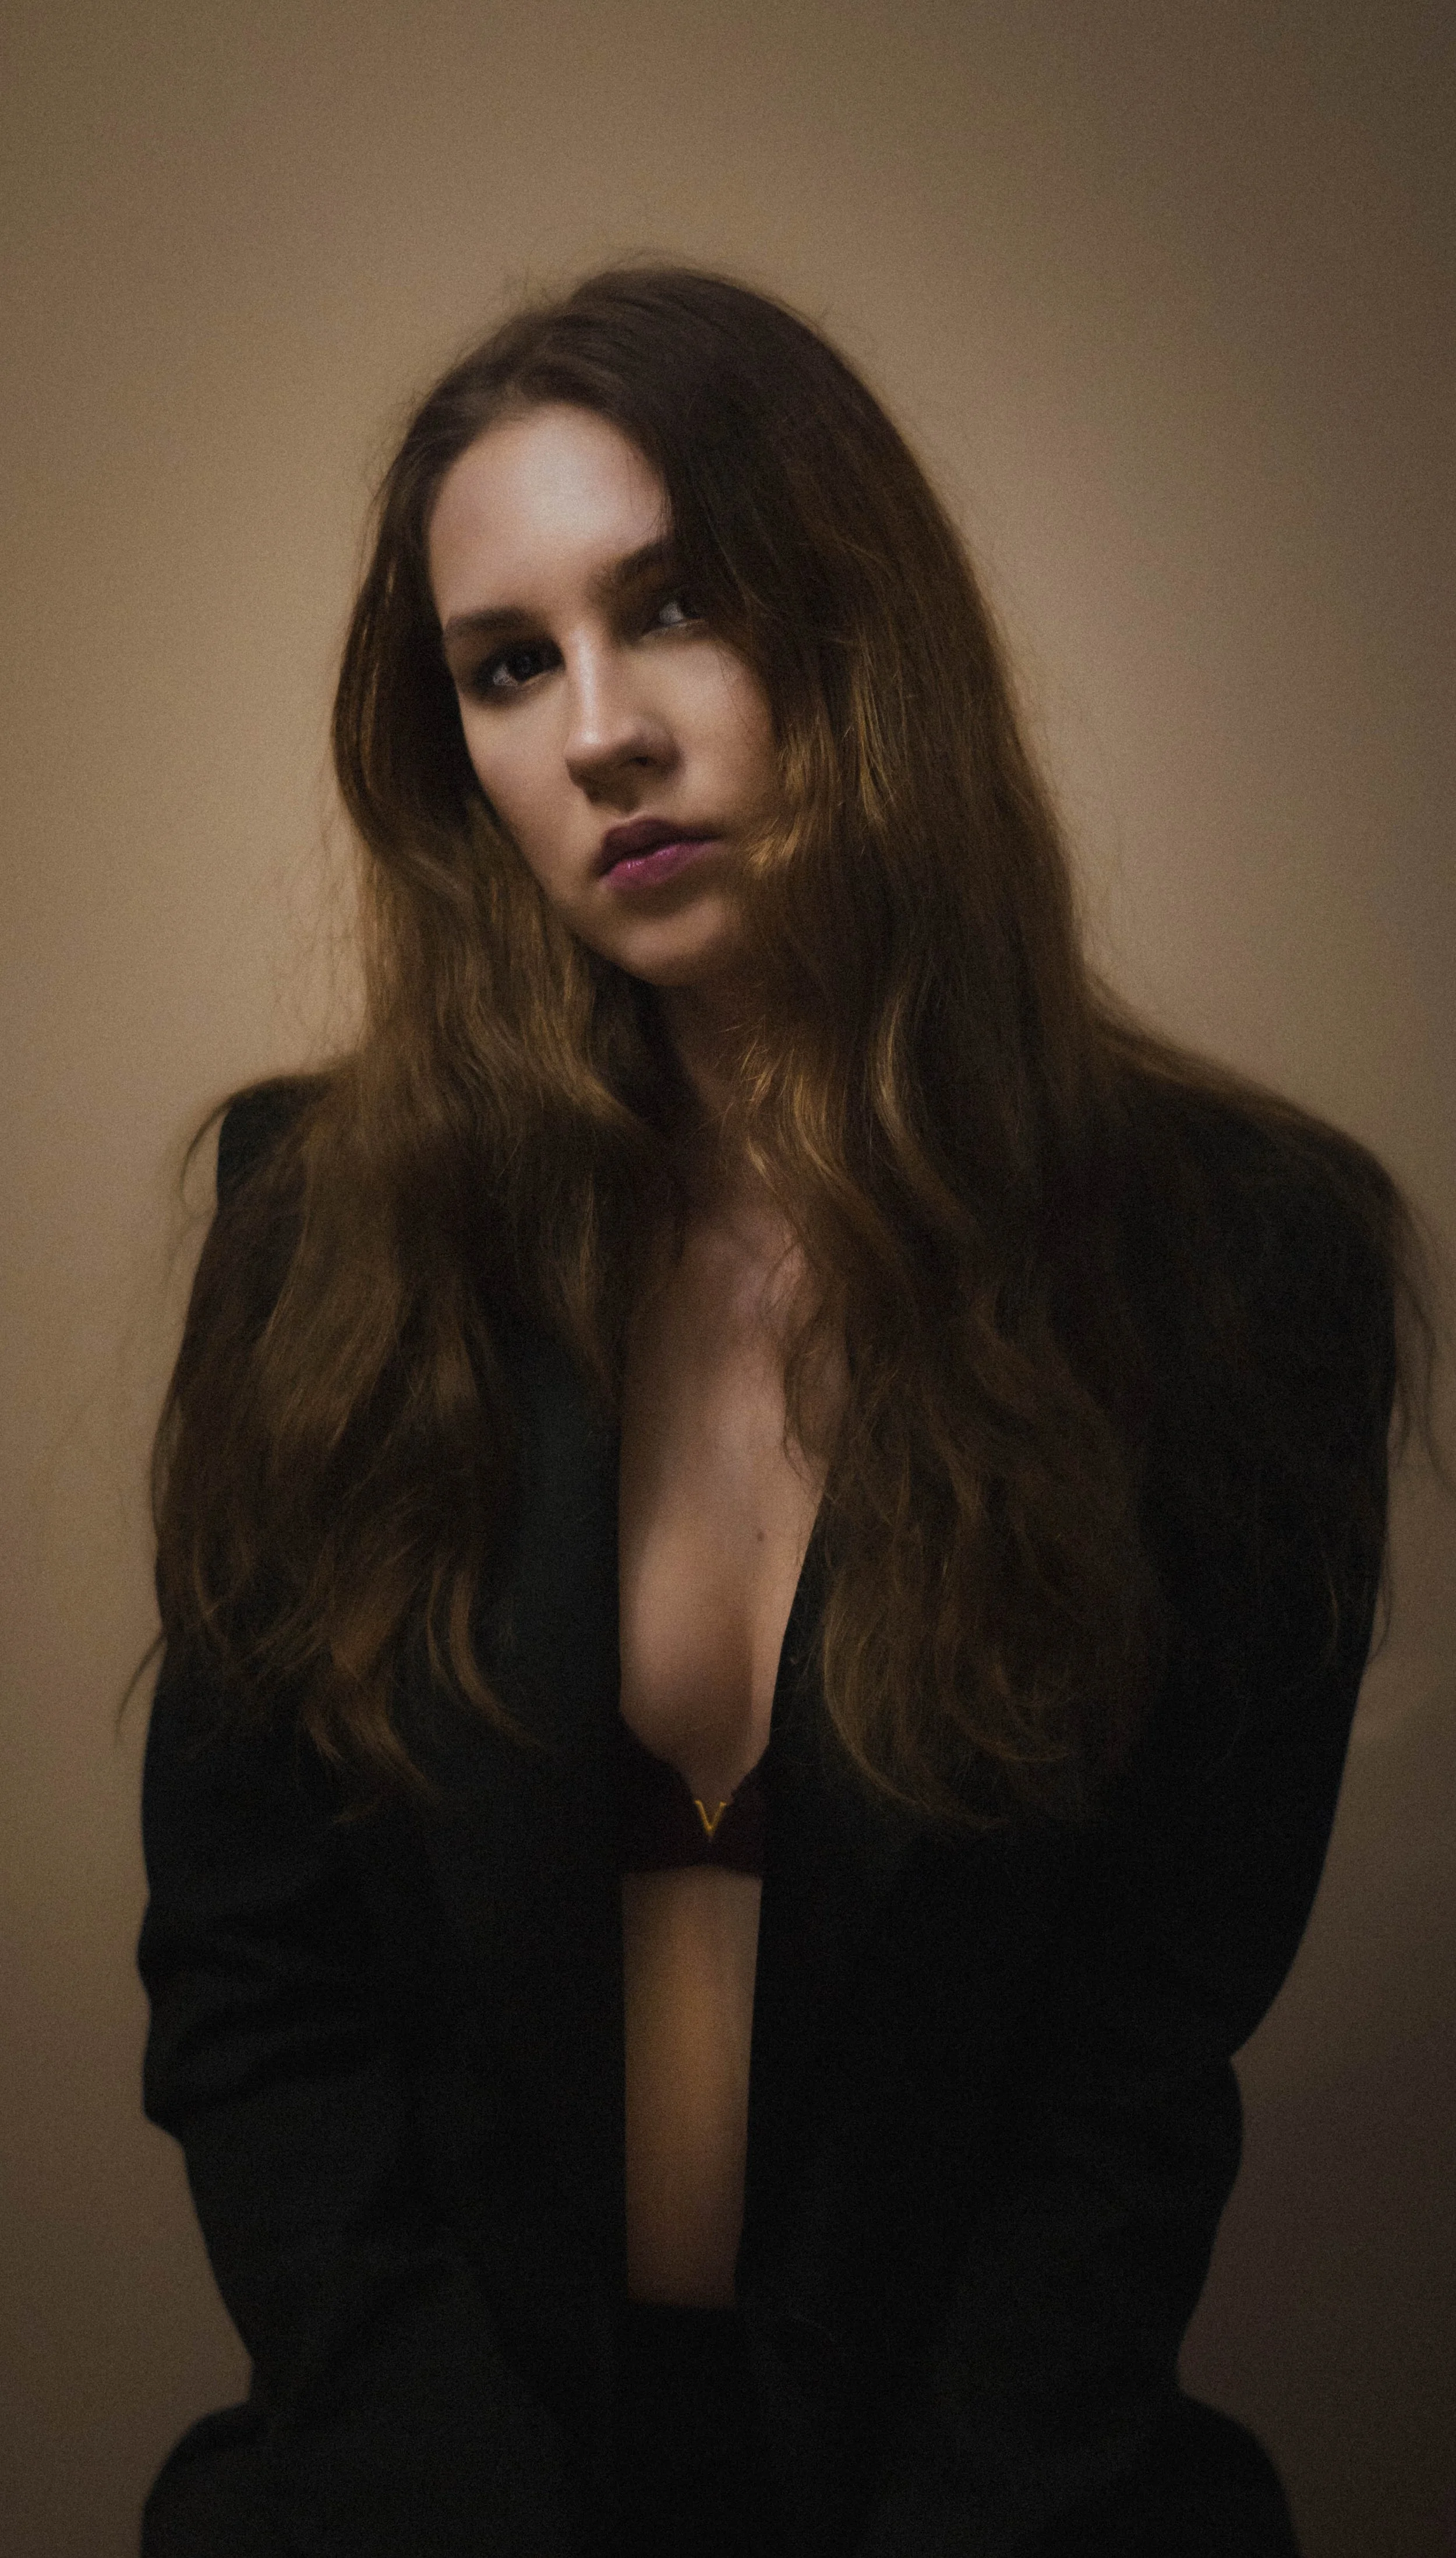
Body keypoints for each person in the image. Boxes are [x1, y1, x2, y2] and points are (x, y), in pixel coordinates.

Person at [136, 264, 1440, 2558]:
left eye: (679, 607)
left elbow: (1137, 2057)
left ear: (861, 623)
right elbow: (253, 1988)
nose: (601, 731)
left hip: (993, 2484)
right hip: (428, 2478)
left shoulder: (1246, 1264)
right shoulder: (322, 1230)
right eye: (507, 665)